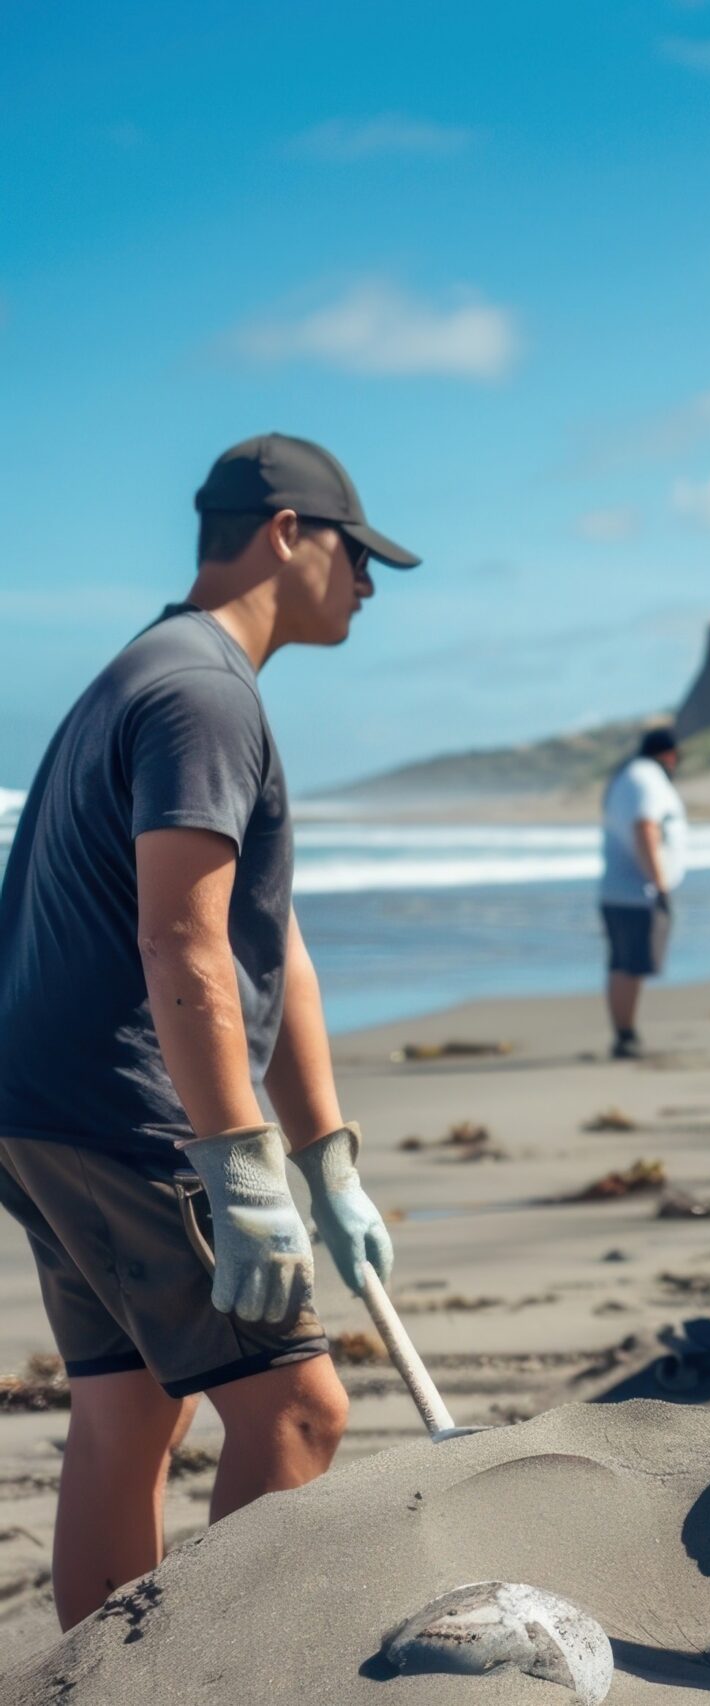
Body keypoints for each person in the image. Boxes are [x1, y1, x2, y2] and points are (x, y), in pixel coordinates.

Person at [0, 434, 416, 1627]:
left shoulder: (154, 669)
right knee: (299, 1410)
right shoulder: (203, 694)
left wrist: (326, 1160)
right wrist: (240, 1167)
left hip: (43, 1106)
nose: (370, 586)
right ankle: (213, 1674)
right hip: (130, 1114)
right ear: (288, 532)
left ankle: (95, 1680)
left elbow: (265, 945)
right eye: (359, 554)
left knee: (130, 1409)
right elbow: (180, 943)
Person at [600, 727, 686, 1059]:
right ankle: (625, 1035)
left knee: (626, 964)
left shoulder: (630, 777)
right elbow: (645, 827)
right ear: (669, 755)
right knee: (629, 964)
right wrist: (659, 883)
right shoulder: (646, 779)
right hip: (636, 891)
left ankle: (626, 1032)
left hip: (623, 889)